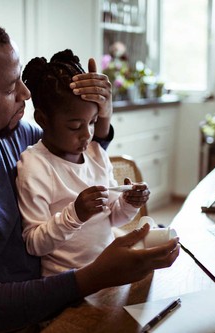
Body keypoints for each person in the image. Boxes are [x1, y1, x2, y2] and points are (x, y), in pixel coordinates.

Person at [0, 15, 179, 333]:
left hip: (46, 306)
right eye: (9, 88)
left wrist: (101, 114)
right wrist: (95, 276)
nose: (25, 94)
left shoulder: (9, 130)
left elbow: (73, 149)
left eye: (20, 78)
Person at [17, 50, 150, 276]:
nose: (87, 135)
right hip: (67, 283)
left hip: (109, 270)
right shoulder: (34, 166)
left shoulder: (96, 153)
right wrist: (75, 214)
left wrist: (129, 203)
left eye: (92, 123)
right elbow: (34, 243)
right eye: (74, 126)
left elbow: (113, 219)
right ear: (42, 120)